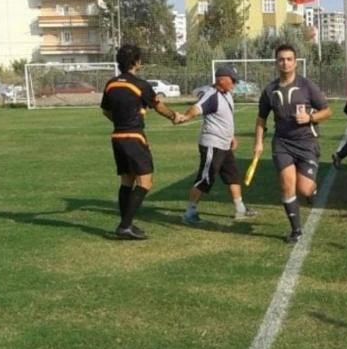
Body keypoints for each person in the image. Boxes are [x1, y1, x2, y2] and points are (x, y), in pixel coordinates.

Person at [101, 44, 183, 240]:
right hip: (134, 137)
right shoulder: (141, 85)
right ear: (136, 61)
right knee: (145, 182)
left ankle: (126, 224)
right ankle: (125, 226)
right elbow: (159, 106)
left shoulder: (110, 84)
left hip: (117, 137)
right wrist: (174, 116)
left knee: (126, 181)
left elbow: (106, 110)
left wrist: (120, 122)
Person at [254, 44, 332, 244]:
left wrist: (310, 117)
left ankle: (311, 191)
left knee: (304, 190)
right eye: (281, 59)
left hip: (306, 143)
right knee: (287, 185)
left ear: (295, 62)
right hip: (282, 143)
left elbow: (327, 111)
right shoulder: (270, 90)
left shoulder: (306, 86)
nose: (285, 63)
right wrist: (259, 143)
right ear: (276, 62)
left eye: (289, 59)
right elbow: (261, 119)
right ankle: (296, 230)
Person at [176, 65, 258, 224]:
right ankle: (189, 213)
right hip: (212, 145)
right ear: (222, 79)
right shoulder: (211, 95)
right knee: (205, 178)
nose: (234, 84)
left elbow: (226, 117)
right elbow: (196, 107)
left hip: (225, 144)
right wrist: (185, 117)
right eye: (232, 80)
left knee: (232, 175)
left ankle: (240, 209)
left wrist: (232, 136)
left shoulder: (227, 94)